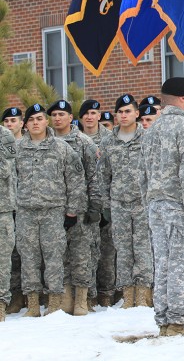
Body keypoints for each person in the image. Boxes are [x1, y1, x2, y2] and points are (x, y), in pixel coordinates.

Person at [140, 76, 184, 336]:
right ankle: (178, 322)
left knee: (164, 264)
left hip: (156, 207)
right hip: (181, 207)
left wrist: (151, 203)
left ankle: (165, 320)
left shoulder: (152, 130)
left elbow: (142, 175)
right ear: (182, 98)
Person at [15, 104, 86, 317]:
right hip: (25, 211)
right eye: (31, 120)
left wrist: (72, 211)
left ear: (46, 121)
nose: (35, 123)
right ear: (25, 125)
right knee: (28, 258)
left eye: (39, 118)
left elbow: (75, 180)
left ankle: (55, 303)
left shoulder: (61, 147)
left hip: (53, 211)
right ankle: (33, 304)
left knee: (54, 257)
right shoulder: (17, 149)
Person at [47, 99, 102, 316]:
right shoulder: (47, 142)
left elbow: (94, 176)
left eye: (62, 114)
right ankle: (65, 297)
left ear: (71, 118)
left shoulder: (84, 142)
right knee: (60, 255)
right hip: (54, 208)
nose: (58, 118)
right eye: (55, 115)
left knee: (81, 255)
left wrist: (95, 206)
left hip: (80, 208)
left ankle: (82, 299)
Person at [98, 94, 153, 308]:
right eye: (120, 112)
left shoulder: (148, 138)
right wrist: (106, 205)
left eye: (128, 111)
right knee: (123, 250)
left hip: (143, 202)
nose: (123, 115)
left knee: (143, 248)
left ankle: (143, 293)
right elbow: (103, 176)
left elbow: (154, 172)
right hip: (119, 204)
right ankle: (127, 294)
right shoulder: (108, 142)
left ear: (137, 114)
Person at [80, 100, 116, 307]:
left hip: (107, 202)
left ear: (99, 116)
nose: (89, 117)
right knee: (87, 252)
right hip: (83, 204)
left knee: (108, 251)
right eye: (85, 114)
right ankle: (90, 294)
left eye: (93, 113)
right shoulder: (75, 139)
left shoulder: (109, 139)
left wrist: (107, 204)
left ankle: (108, 293)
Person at [0, 125, 17, 322]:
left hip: (2, 209)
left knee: (2, 261)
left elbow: (5, 169)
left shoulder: (4, 136)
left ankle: (1, 304)